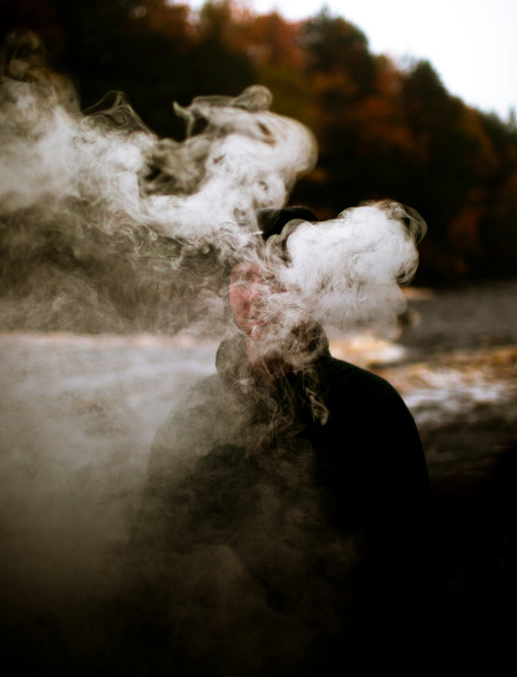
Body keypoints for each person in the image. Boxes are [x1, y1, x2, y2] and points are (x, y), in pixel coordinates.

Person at [130, 206, 431, 675]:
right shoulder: (197, 409)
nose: (257, 296)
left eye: (277, 277)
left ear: (313, 290)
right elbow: (151, 543)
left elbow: (410, 562)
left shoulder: (371, 405)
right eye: (242, 277)